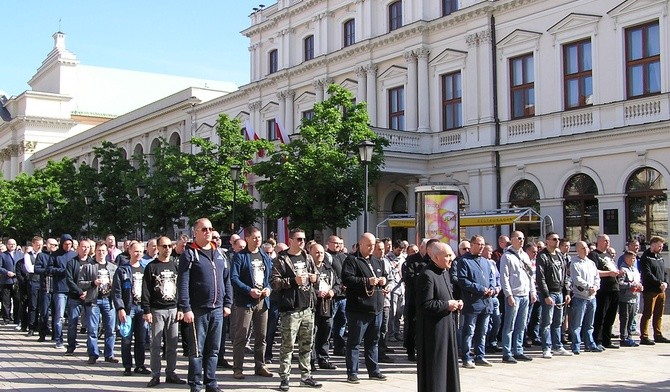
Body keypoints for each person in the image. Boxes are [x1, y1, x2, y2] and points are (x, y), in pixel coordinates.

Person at [178, 218, 232, 392]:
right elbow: (183, 282)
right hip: (198, 310)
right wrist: (186, 307)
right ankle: (195, 384)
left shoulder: (220, 254)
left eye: (210, 229)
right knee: (197, 350)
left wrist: (227, 303)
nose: (208, 232)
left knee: (214, 349)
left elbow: (227, 280)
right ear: (196, 232)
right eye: (204, 229)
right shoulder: (190, 254)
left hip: (217, 308)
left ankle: (211, 382)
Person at [270, 228, 322, 391]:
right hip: (290, 307)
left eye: (304, 239)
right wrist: (293, 281)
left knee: (307, 343)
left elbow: (316, 274)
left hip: (307, 305)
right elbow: (274, 282)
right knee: (288, 345)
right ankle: (284, 377)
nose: (301, 242)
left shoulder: (307, 257)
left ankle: (305, 375)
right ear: (291, 240)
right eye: (298, 239)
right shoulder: (282, 258)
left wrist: (315, 278)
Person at [342, 233, 388, 384]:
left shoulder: (377, 261)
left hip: (376, 308)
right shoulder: (352, 260)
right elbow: (347, 279)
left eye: (373, 245)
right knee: (355, 342)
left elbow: (385, 276)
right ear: (360, 244)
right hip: (359, 309)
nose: (371, 248)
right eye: (368, 245)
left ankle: (374, 370)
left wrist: (384, 281)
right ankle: (352, 372)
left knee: (373, 341)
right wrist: (367, 281)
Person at [416, 242, 462, 392]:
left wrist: (455, 303)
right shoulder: (427, 275)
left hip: (447, 327)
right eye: (447, 256)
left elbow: (445, 295)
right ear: (435, 257)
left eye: (451, 255)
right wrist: (447, 305)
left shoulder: (444, 272)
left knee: (448, 367)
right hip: (433, 332)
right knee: (436, 369)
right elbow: (425, 304)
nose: (451, 259)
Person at [142, 236, 187, 387]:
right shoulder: (151, 267)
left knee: (173, 344)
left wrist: (181, 308)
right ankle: (155, 375)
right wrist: (146, 310)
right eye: (164, 246)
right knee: (156, 344)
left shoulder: (175, 266)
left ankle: (171, 372)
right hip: (157, 310)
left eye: (169, 246)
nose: (167, 249)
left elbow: (181, 288)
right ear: (158, 248)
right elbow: (146, 290)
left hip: (173, 309)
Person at [230, 226, 274, 379]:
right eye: (254, 237)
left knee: (261, 336)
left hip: (262, 302)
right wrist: (249, 290)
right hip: (245, 302)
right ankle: (238, 368)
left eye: (259, 237)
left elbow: (271, 278)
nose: (257, 240)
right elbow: (234, 278)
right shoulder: (240, 256)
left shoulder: (264, 256)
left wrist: (268, 289)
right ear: (247, 238)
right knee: (241, 335)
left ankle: (260, 365)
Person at [458, 235, 496, 368]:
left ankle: (480, 355)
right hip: (472, 302)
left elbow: (492, 277)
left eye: (483, 245)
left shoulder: (486, 261)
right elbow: (463, 281)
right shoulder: (464, 261)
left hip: (486, 302)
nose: (481, 247)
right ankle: (466, 357)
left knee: (483, 331)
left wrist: (492, 288)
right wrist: (481, 289)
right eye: (478, 244)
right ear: (472, 244)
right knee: (469, 331)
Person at [113, 241, 149, 375]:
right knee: (126, 338)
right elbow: (116, 291)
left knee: (141, 339)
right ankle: (127, 366)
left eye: (140, 251)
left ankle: (140, 365)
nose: (138, 254)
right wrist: (120, 308)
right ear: (129, 251)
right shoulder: (122, 270)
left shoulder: (146, 269)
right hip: (129, 308)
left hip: (142, 307)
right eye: (136, 251)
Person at [79, 240, 117, 364]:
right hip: (93, 300)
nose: (101, 253)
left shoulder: (112, 267)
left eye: (103, 251)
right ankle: (93, 354)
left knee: (110, 329)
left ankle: (109, 354)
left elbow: (118, 284)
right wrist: (92, 283)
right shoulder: (88, 266)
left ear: (107, 252)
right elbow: (80, 282)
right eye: (99, 251)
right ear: (95, 252)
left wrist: (113, 285)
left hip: (108, 300)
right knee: (92, 329)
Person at [499, 231, 536, 363]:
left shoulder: (525, 255)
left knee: (521, 325)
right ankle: (507, 352)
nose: (521, 241)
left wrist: (533, 292)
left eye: (523, 238)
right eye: (519, 238)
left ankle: (518, 350)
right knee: (510, 325)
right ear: (513, 240)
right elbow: (504, 277)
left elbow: (530, 275)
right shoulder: (507, 256)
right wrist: (508, 295)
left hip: (525, 294)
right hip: (514, 295)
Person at [536, 232, 572, 358]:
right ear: (548, 241)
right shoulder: (543, 256)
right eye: (554, 239)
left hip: (560, 292)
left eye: (558, 239)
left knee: (558, 321)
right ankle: (546, 347)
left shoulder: (560, 256)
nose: (557, 241)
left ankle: (558, 346)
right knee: (547, 321)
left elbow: (566, 275)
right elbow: (540, 277)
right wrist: (546, 295)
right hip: (549, 292)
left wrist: (567, 292)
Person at [588, 234, 623, 350]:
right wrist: (609, 273)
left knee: (611, 316)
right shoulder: (593, 255)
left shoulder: (607, 256)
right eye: (605, 241)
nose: (607, 243)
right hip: (603, 290)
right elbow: (594, 271)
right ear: (598, 242)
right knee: (600, 315)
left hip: (614, 288)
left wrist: (618, 273)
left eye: (608, 241)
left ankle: (607, 340)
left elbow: (613, 269)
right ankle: (597, 340)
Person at [310, 243, 340, 370]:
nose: (320, 255)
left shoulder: (328, 269)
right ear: (310, 253)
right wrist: (316, 292)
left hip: (327, 306)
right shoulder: (309, 269)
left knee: (325, 333)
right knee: (311, 334)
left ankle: (324, 359)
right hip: (313, 306)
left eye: (322, 253)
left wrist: (333, 291)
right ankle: (310, 361)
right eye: (317, 252)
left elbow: (338, 284)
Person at [401, 238, 430, 361]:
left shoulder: (431, 260)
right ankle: (410, 350)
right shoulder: (411, 259)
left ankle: (422, 349)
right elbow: (409, 278)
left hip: (427, 298)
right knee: (412, 325)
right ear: (423, 247)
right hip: (413, 298)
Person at [569, 241, 601, 354]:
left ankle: (590, 344)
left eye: (586, 247)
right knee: (577, 324)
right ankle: (576, 345)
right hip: (580, 297)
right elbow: (577, 279)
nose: (585, 250)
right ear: (577, 249)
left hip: (592, 297)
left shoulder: (591, 263)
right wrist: (589, 287)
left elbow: (597, 277)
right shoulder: (574, 263)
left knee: (589, 324)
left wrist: (595, 287)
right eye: (583, 248)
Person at [64, 239, 93, 356]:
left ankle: (91, 348)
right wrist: (80, 292)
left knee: (92, 324)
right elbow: (69, 280)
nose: (85, 249)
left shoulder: (92, 262)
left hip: (90, 296)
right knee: (73, 323)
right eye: (83, 247)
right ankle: (71, 346)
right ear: (78, 248)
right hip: (75, 297)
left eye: (87, 247)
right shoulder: (72, 262)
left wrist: (87, 292)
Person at [639, 236, 669, 345]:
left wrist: (665, 282)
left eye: (662, 246)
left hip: (661, 290)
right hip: (650, 290)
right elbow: (647, 274)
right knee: (648, 313)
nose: (661, 248)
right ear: (653, 244)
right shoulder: (645, 257)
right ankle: (644, 336)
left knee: (659, 314)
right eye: (659, 246)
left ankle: (658, 334)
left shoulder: (660, 257)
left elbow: (664, 272)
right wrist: (659, 283)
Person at [324, 235, 347, 357]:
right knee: (329, 323)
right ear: (329, 243)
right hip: (332, 296)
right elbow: (330, 274)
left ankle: (339, 346)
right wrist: (338, 285)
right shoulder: (327, 257)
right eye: (335, 243)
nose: (338, 245)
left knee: (342, 322)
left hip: (343, 296)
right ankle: (325, 348)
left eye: (340, 243)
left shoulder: (343, 256)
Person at [618, 250, 642, 347]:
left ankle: (630, 336)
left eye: (634, 258)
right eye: (632, 258)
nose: (633, 260)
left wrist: (640, 286)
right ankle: (623, 337)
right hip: (625, 298)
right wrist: (630, 284)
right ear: (626, 258)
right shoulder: (623, 269)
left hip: (634, 297)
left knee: (632, 318)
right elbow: (620, 283)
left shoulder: (634, 269)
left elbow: (638, 280)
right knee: (625, 318)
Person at [0, 238, 24, 325]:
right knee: (6, 301)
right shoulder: (2, 255)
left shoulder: (21, 254)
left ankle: (17, 319)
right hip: (6, 280)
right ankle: (6, 318)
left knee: (17, 300)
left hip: (17, 280)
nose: (12, 245)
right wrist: (7, 272)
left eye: (13, 244)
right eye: (10, 244)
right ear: (7, 245)